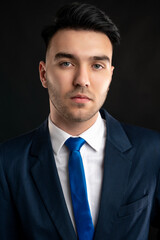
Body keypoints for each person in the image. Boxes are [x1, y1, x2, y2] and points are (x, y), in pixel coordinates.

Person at [0, 2, 160, 240]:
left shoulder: (153, 151)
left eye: (97, 65)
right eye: (67, 63)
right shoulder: (7, 162)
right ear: (44, 74)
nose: (82, 80)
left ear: (110, 75)